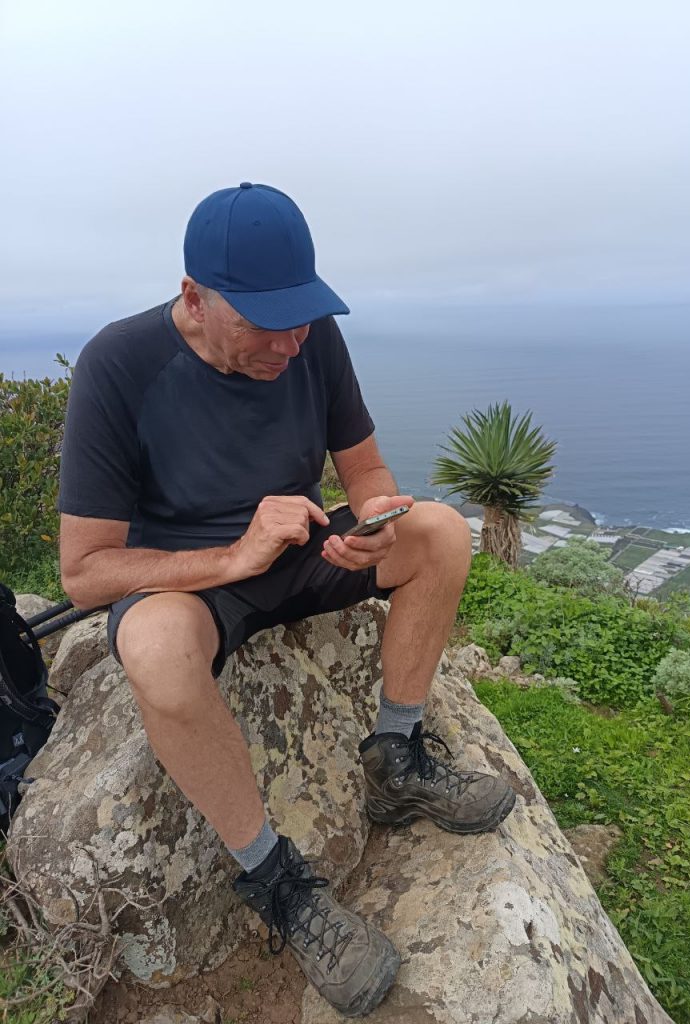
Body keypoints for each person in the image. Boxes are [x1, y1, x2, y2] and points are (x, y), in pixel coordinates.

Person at [57, 183, 517, 1017]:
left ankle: (396, 757)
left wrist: (375, 522)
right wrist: (233, 556)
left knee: (442, 533)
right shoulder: (117, 365)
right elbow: (85, 572)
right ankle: (276, 880)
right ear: (194, 298)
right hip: (192, 581)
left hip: (306, 548)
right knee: (157, 651)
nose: (289, 342)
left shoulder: (310, 337)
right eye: (263, 324)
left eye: (300, 317)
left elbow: (365, 470)